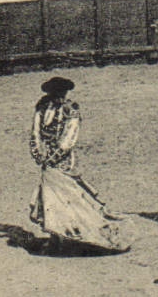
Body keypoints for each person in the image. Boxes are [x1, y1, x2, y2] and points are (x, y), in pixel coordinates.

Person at [27, 77, 130, 252]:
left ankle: (69, 235)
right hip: (46, 158)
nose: (60, 97)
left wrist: (53, 157)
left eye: (62, 93)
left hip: (63, 160)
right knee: (51, 198)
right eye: (56, 93)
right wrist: (38, 153)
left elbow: (69, 138)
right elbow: (35, 131)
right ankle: (56, 237)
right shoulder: (42, 107)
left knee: (68, 196)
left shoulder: (71, 110)